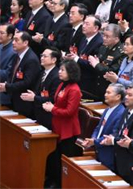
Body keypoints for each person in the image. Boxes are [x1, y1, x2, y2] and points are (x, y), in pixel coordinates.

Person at [43, 59, 83, 187]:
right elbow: (59, 102)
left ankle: (62, 184)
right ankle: (54, 180)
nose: (59, 72)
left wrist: (53, 109)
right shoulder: (62, 85)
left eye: (62, 70)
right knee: (54, 157)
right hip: (57, 125)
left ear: (70, 72)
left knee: (63, 159)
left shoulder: (74, 90)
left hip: (68, 130)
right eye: (59, 70)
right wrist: (52, 105)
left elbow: (69, 112)